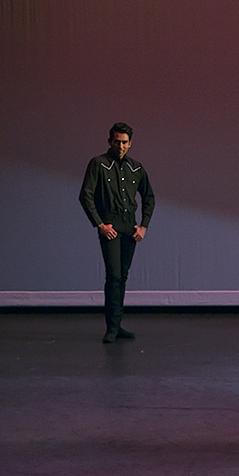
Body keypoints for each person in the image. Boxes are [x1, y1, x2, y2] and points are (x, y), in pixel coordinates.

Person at [79, 122, 155, 344]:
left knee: (122, 276)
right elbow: (86, 196)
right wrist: (100, 225)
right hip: (110, 228)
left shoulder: (136, 168)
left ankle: (117, 324)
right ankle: (111, 328)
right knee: (113, 276)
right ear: (109, 141)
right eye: (117, 141)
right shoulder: (98, 164)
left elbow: (149, 198)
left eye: (124, 142)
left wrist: (144, 226)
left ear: (130, 144)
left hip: (129, 228)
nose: (120, 146)